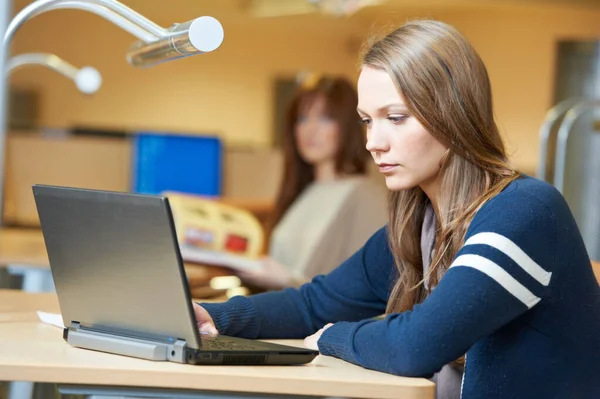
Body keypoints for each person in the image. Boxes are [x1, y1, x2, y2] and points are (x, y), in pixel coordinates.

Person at [193, 20, 600, 399]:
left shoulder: (524, 212)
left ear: (453, 114)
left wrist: (334, 337)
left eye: (396, 118)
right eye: (368, 121)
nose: (374, 142)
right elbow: (313, 304)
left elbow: (416, 346)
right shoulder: (419, 224)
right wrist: (211, 316)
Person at [236, 75, 387, 290]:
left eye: (325, 118)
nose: (310, 130)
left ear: (347, 126)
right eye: (303, 119)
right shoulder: (301, 191)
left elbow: (364, 292)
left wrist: (289, 282)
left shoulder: (366, 196)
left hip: (319, 322)